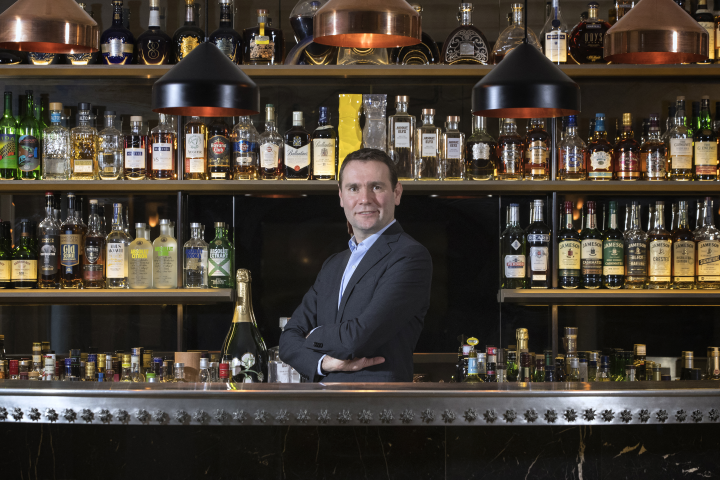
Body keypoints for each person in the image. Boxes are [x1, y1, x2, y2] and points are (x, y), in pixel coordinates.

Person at [279, 148, 433, 382]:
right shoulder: (334, 264)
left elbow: (358, 338)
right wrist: (323, 363)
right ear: (341, 196)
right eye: (354, 188)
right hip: (320, 411)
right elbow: (288, 338)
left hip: (377, 410)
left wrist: (313, 335)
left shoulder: (410, 257)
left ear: (397, 193)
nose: (365, 199)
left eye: (376, 187)